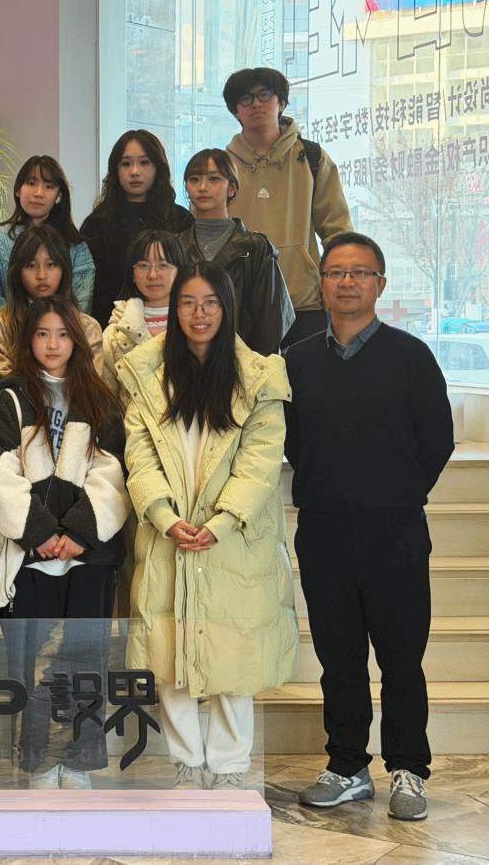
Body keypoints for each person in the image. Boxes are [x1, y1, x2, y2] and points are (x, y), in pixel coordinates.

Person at [286, 233, 453, 822]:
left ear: (381, 284)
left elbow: (438, 439)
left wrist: (397, 493)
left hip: (395, 533)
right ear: (322, 284)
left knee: (402, 659)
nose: (347, 282)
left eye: (360, 272)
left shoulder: (411, 356)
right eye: (336, 272)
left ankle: (408, 769)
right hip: (324, 531)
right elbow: (292, 442)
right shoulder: (298, 361)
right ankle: (347, 766)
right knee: (339, 659)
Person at [117, 261, 297, 790]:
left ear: (227, 308)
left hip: (233, 538)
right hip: (169, 532)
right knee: (169, 653)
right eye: (189, 303)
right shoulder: (147, 373)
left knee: (232, 656)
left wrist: (222, 520)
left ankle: (230, 766)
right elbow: (139, 455)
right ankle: (186, 762)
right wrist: (165, 517)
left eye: (211, 303)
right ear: (174, 310)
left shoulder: (259, 376)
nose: (200, 314)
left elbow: (262, 461)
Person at [0, 295, 129, 789]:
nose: (52, 344)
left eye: (63, 335)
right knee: (30, 663)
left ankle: (81, 758)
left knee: (86, 659)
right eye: (42, 334)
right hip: (30, 554)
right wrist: (43, 533)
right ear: (28, 340)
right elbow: (0, 472)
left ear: (77, 341)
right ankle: (39, 760)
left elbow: (112, 472)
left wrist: (78, 534)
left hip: (88, 556)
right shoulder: (8, 397)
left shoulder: (98, 398)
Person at [223, 67, 352, 346]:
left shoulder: (312, 158)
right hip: (238, 304)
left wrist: (337, 287)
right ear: (236, 111)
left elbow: (338, 232)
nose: (256, 104)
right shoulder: (221, 166)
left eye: (264, 95)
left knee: (308, 375)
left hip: (304, 304)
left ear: (281, 102)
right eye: (245, 98)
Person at [180, 149, 294, 355]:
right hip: (185, 358)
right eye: (194, 179)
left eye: (214, 179)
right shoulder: (176, 246)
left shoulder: (256, 248)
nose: (202, 187)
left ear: (231, 188)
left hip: (244, 361)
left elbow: (271, 321)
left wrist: (255, 367)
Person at [79, 130, 192, 325]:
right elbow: (87, 290)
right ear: (115, 170)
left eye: (144, 162)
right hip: (111, 328)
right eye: (126, 164)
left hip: (172, 325)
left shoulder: (180, 220)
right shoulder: (96, 224)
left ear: (158, 167)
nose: (134, 172)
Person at [0, 225, 103, 381]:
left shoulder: (87, 327)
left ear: (64, 269)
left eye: (51, 264)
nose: (41, 275)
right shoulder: (1, 326)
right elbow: (3, 387)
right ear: (18, 272)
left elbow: (91, 387)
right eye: (31, 266)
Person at [0, 155, 93, 313]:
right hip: (11, 325)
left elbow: (81, 303)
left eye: (49, 186)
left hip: (63, 326)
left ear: (59, 195)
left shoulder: (75, 245)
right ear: (18, 189)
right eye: (31, 183)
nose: (38, 193)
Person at [100, 230, 185, 401]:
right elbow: (106, 402)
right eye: (143, 266)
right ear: (132, 274)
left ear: (179, 271)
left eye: (163, 265)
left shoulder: (196, 325)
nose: (152, 275)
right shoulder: (114, 335)